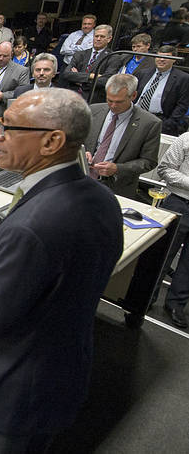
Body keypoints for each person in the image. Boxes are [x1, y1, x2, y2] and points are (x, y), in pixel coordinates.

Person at [0, 88, 122, 453]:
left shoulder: (33, 226)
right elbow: (55, 275)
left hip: (6, 397)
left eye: (9, 127)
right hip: (57, 376)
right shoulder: (101, 198)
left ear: (52, 141)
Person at [84, 74, 161, 198]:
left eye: (119, 102)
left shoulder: (150, 123)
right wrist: (82, 152)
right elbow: (75, 141)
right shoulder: (93, 111)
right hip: (84, 180)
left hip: (117, 188)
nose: (113, 106)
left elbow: (149, 161)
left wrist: (118, 169)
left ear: (133, 96)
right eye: (109, 100)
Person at [157, 131, 189, 328]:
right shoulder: (186, 138)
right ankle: (147, 296)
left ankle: (176, 305)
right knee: (162, 253)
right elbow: (165, 169)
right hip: (179, 202)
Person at [132, 45, 189, 135]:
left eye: (166, 57)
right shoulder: (143, 73)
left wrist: (168, 124)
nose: (161, 60)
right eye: (159, 56)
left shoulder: (183, 78)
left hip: (160, 121)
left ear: (174, 59)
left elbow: (182, 105)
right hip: (136, 115)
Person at [60, 24, 116, 102]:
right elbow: (67, 74)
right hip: (71, 96)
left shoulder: (112, 57)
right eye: (96, 36)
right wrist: (91, 76)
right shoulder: (80, 54)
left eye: (102, 37)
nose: (98, 39)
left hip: (92, 99)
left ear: (109, 39)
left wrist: (78, 79)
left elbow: (106, 80)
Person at [0, 41, 30, 119]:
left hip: (2, 114)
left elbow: (24, 93)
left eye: (5, 56)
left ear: (11, 55)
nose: (1, 58)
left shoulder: (22, 71)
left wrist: (3, 95)